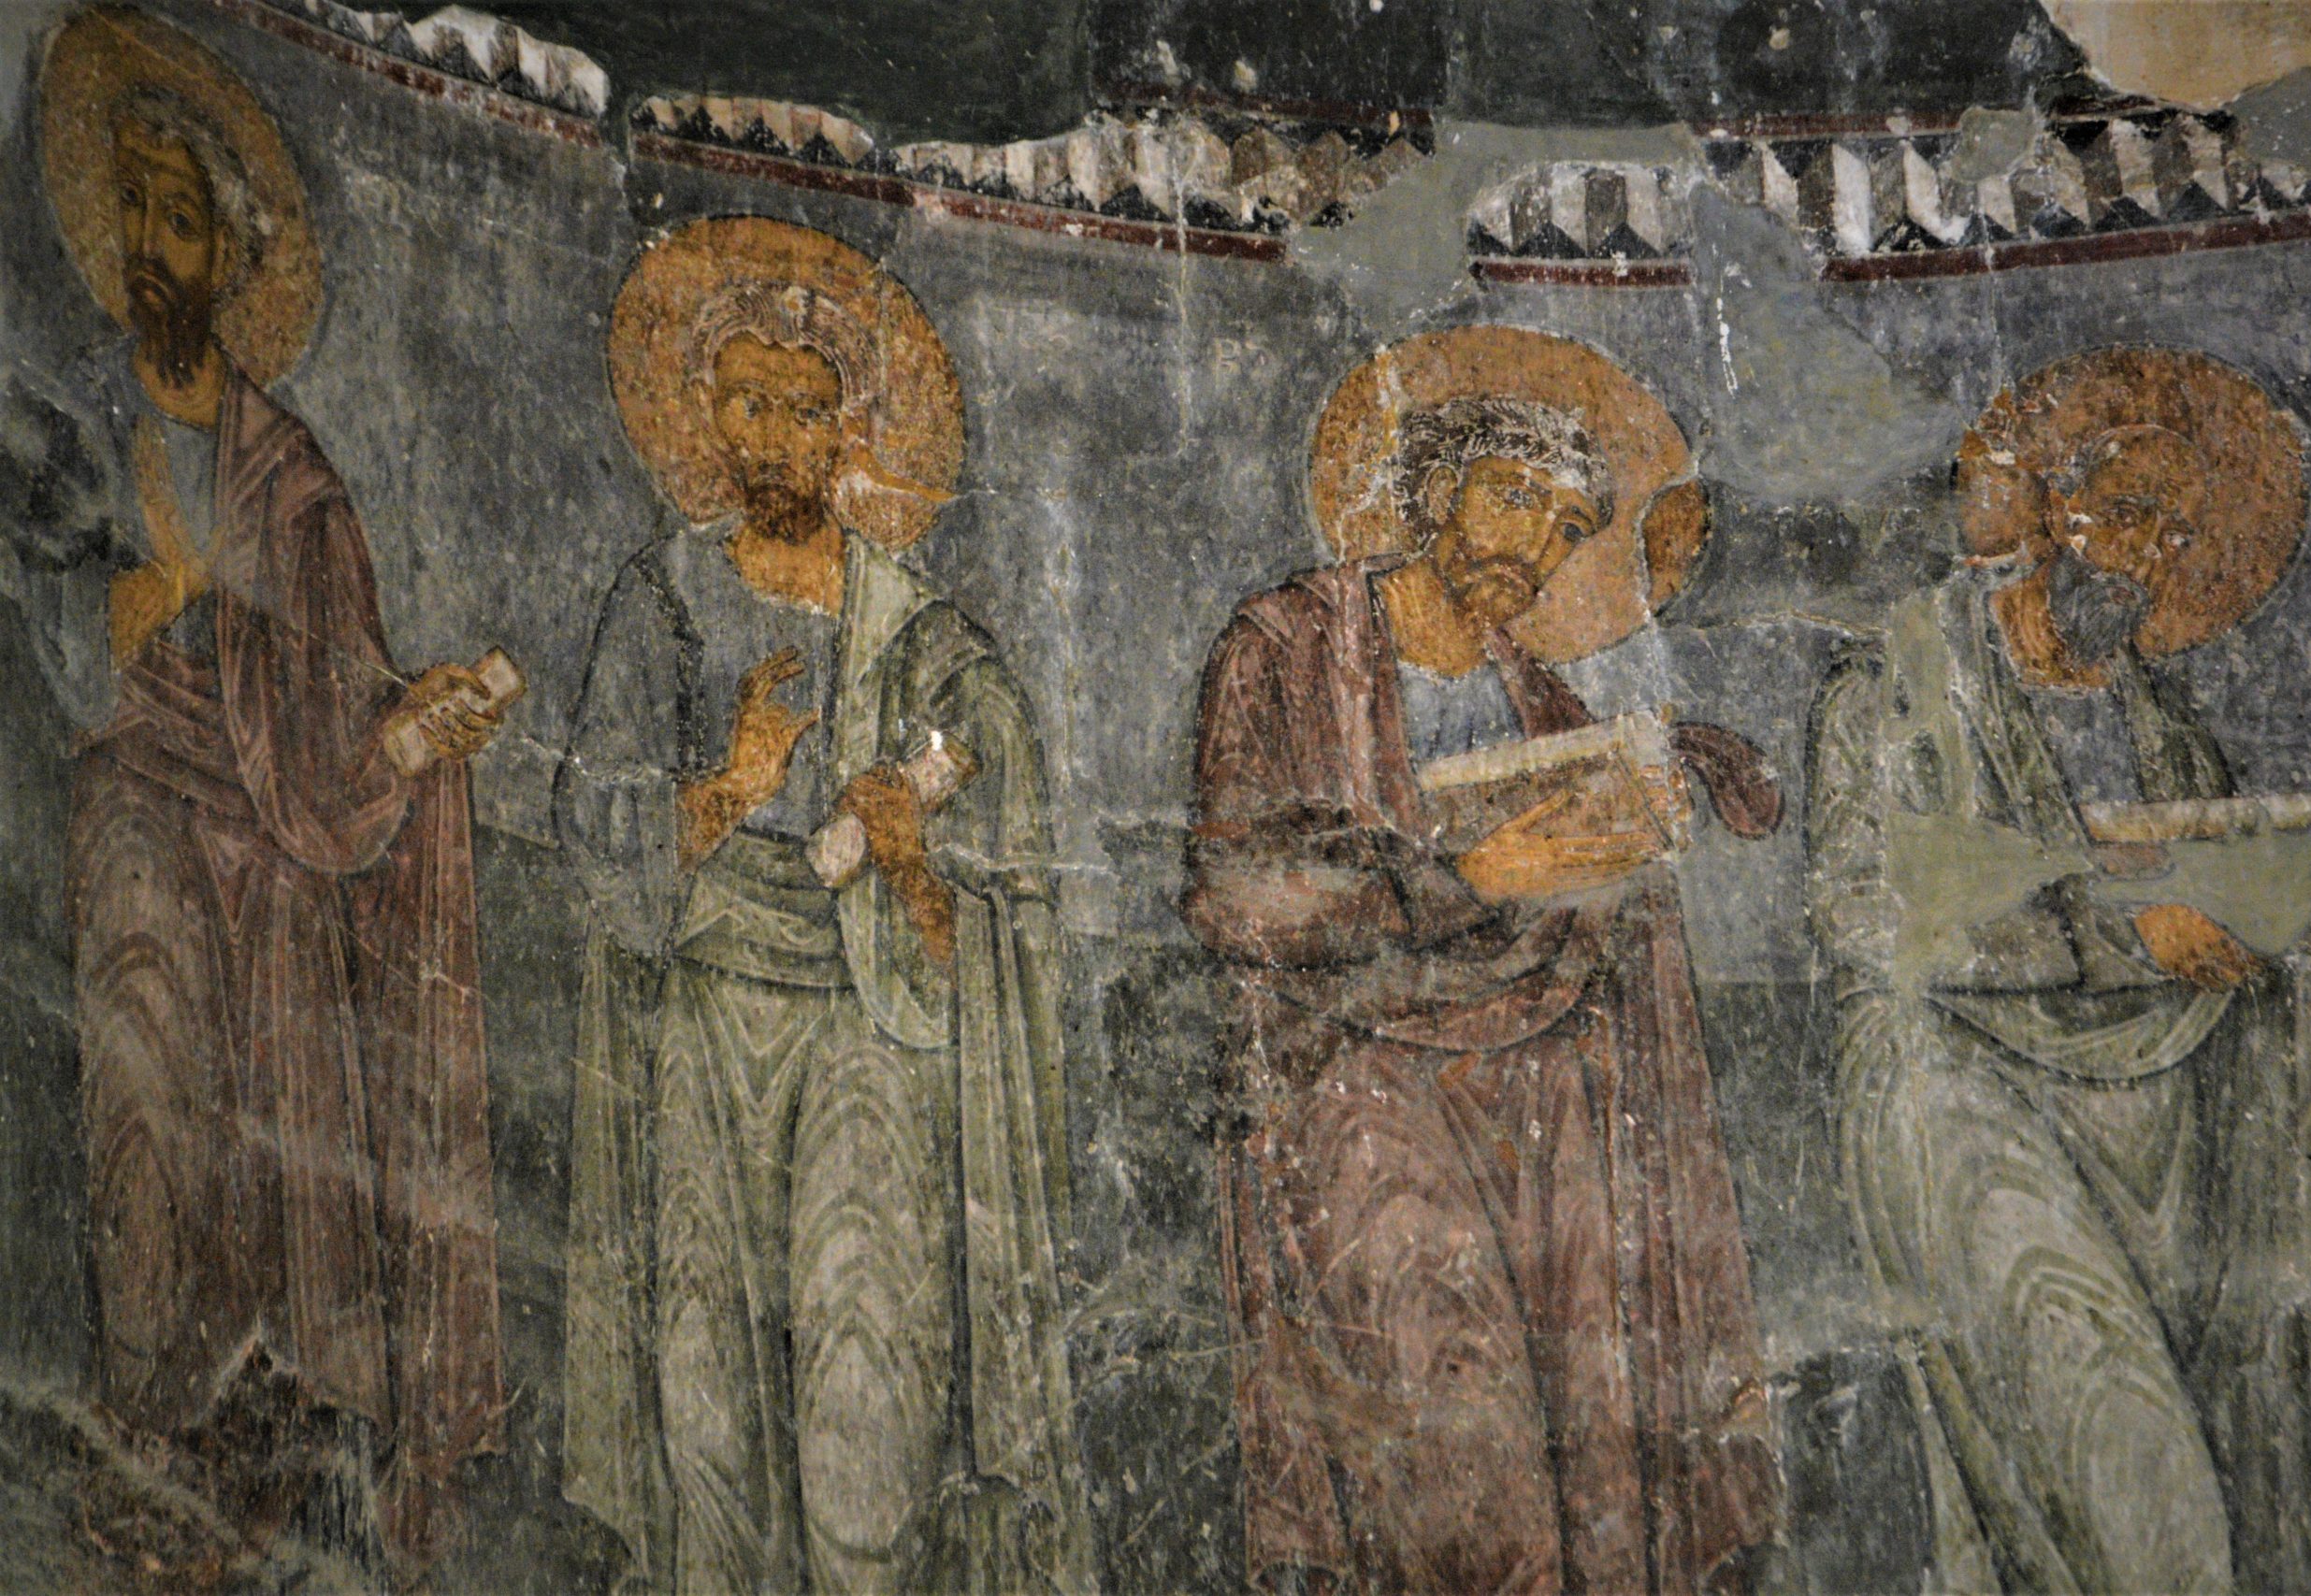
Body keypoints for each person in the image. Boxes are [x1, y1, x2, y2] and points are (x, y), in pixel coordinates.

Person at [28, 12, 507, 1569]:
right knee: (149, 1123)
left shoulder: (292, 480)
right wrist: (150, 601)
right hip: (138, 820)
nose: (150, 244)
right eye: (133, 206)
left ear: (233, 255)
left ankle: (275, 1472)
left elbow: (337, 709)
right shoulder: (74, 421)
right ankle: (150, 1455)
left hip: (277, 847)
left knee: (285, 1141)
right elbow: (56, 638)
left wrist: (411, 731)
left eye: (180, 216)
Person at [559, 220, 1092, 1595]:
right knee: (704, 1363)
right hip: (709, 1011)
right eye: (749, 405)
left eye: (805, 413)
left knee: (867, 1368)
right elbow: (596, 839)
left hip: (868, 1027)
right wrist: (733, 788)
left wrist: (909, 857)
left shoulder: (929, 641)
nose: (775, 441)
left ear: (853, 431)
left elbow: (1001, 929)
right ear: (705, 415)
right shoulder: (660, 602)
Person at [1806, 348, 2311, 1593]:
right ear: (2043, 516)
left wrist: (2290, 919)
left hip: (2160, 1130)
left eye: (2176, 536)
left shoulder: (2161, 725)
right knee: (2136, 1480)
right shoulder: (1893, 689)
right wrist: (2130, 936)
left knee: (2195, 1462)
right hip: (1964, 1107)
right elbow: (1871, 911)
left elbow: (2211, 893)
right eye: (2125, 517)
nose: (2148, 560)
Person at [1183, 384, 1783, 1594]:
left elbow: (1605, 930)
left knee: (1577, 1445)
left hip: (1546, 1112)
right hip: (1355, 1097)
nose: (1534, 545)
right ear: (1433, 490)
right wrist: (1462, 876)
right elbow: (1239, 893)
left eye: (1566, 527)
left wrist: (1640, 824)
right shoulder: (1288, 647)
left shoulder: (1549, 707)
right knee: (1457, 1444)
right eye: (1512, 496)